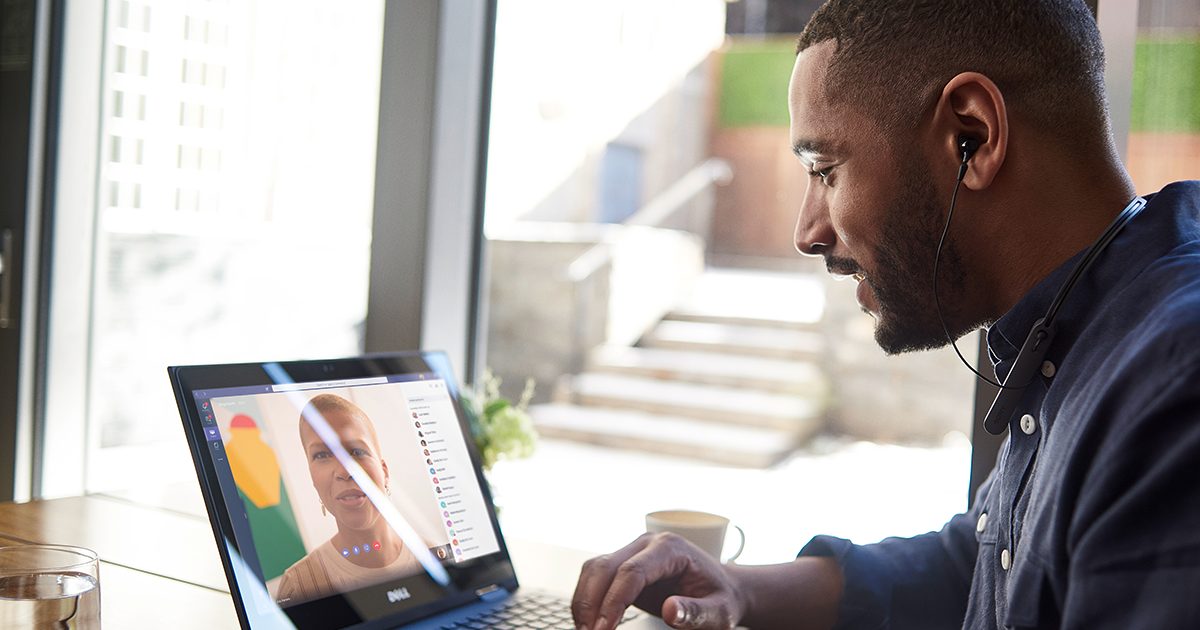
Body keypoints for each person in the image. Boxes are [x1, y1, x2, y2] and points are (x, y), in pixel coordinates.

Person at [570, 1, 1200, 629]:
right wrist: (739, 588)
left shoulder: (1172, 386)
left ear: (973, 136)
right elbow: (984, 564)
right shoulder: (1085, 327)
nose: (807, 233)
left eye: (825, 171)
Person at [276, 393, 423, 605]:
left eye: (356, 451)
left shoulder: (433, 555)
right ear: (313, 479)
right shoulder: (298, 586)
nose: (344, 471)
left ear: (384, 472)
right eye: (322, 455)